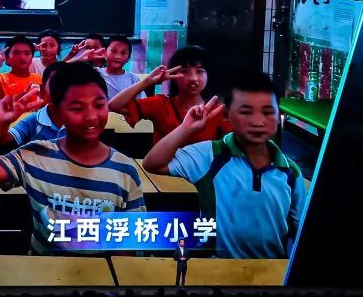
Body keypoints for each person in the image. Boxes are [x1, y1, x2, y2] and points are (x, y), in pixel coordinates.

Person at [0, 62, 146, 255]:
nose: (91, 117)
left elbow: (130, 243)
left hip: (103, 269)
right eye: (77, 108)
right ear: (57, 110)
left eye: (99, 105)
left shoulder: (124, 169)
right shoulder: (35, 155)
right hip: (44, 266)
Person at [142, 72, 306, 259]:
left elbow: (300, 228)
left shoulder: (290, 172)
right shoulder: (209, 155)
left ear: (279, 117)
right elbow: (152, 163)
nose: (257, 122)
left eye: (268, 112)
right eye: (246, 112)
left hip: (272, 270)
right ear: (227, 115)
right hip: (216, 267)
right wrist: (185, 129)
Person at [109, 45, 232, 147]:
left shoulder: (217, 111)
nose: (193, 78)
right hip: (162, 168)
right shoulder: (161, 103)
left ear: (208, 76)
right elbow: (114, 105)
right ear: (173, 75)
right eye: (185, 71)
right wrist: (147, 82)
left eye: (200, 71)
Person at [0, 60, 67, 147]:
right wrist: (4, 122)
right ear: (42, 90)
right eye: (54, 85)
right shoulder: (35, 120)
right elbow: (3, 140)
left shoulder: (79, 120)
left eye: (66, 86)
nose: (60, 91)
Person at [0, 35, 43, 102]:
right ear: (7, 59)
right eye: (16, 53)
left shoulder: (40, 80)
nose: (22, 57)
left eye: (27, 53)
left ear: (32, 57)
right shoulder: (0, 80)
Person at [99, 35, 144, 100]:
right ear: (104, 53)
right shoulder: (96, 73)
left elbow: (140, 102)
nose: (118, 56)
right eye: (113, 51)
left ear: (128, 58)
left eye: (123, 53)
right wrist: (83, 59)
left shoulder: (133, 79)